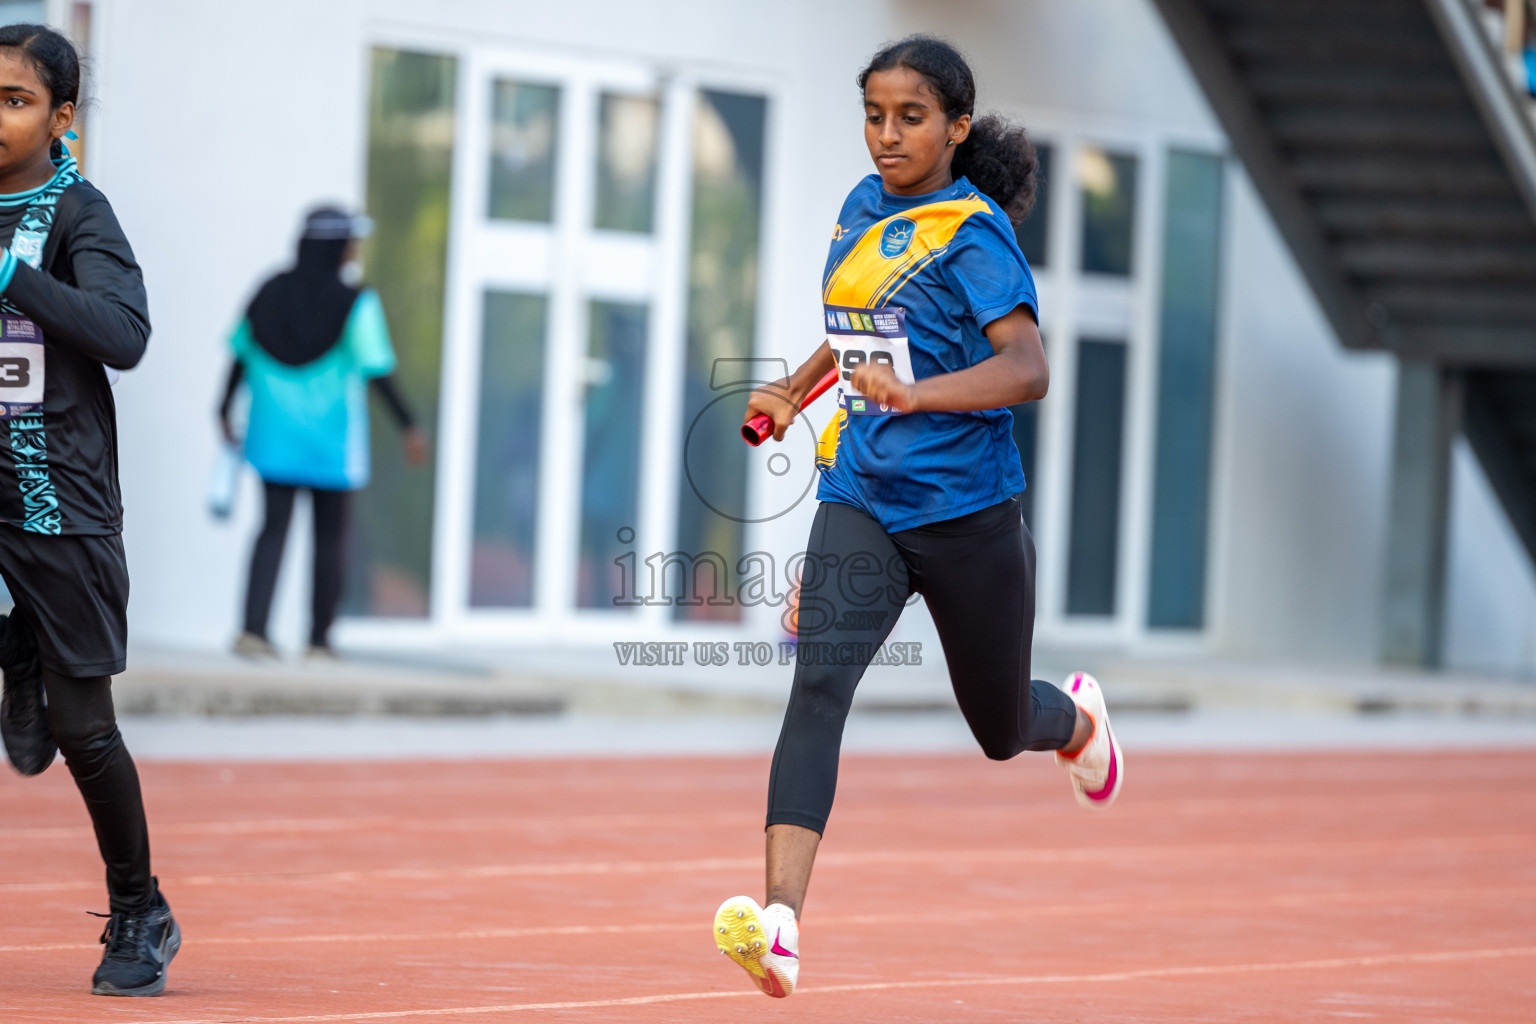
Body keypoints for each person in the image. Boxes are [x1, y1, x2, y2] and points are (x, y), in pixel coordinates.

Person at [715, 35, 1123, 998]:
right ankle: (778, 928)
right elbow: (857, 325)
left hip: (969, 514)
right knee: (817, 687)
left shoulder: (975, 232)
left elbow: (1029, 370)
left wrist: (915, 397)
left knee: (995, 725)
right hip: (863, 497)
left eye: (910, 118)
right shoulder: (863, 206)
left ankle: (1072, 721)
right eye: (873, 114)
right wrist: (798, 388)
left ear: (956, 127)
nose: (887, 135)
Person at [0, 24, 179, 997]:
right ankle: (12, 641)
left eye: (15, 100)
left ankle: (139, 907)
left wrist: (13, 278)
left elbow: (123, 333)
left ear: (60, 117)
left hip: (56, 501)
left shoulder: (76, 212)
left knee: (84, 726)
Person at [219, 207, 425, 660]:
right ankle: (319, 641)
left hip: (273, 435)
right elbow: (379, 372)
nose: (355, 249)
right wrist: (410, 426)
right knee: (330, 540)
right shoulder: (357, 302)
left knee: (271, 530)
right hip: (331, 442)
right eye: (351, 241)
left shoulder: (269, 290)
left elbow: (240, 353)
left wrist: (222, 409)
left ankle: (252, 631)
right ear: (337, 247)